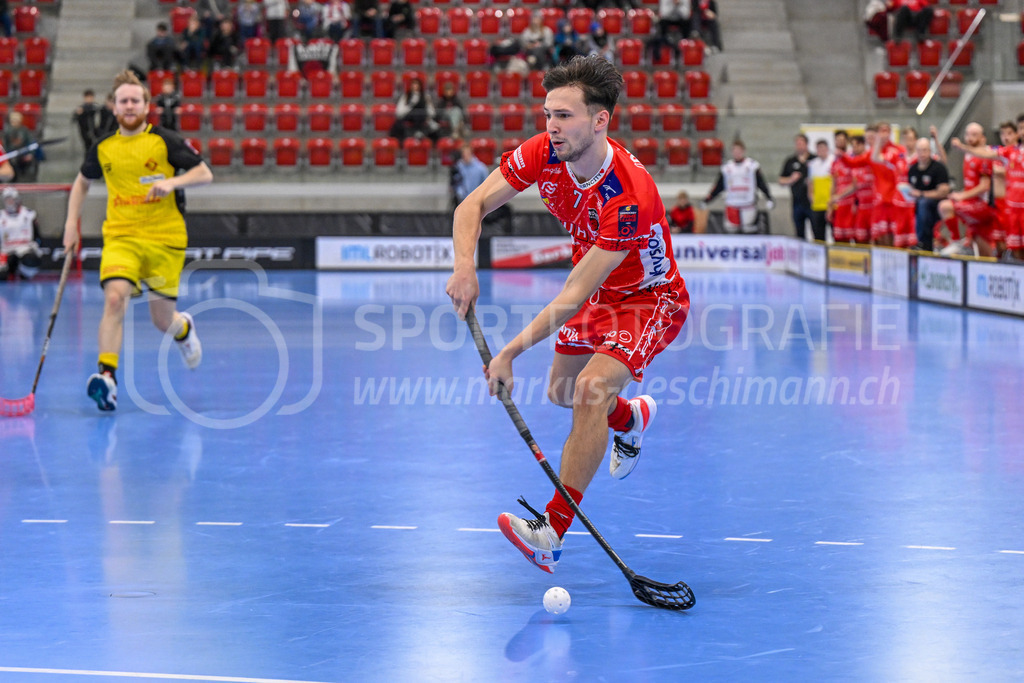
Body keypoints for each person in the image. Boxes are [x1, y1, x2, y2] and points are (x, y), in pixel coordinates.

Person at [446, 56, 690, 574]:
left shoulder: (628, 195)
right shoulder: (543, 153)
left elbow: (574, 294)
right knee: (562, 393)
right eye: (547, 114)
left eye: (565, 116)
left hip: (648, 298)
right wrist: (464, 267)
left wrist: (508, 352)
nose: (551, 126)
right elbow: (471, 207)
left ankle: (552, 531)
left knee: (589, 391)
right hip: (598, 292)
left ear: (600, 120)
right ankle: (632, 418)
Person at [61, 70, 214, 412]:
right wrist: (71, 223)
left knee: (163, 320)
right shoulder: (103, 147)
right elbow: (82, 183)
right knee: (115, 299)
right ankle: (108, 379)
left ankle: (183, 329)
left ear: (146, 106)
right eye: (123, 101)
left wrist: (173, 184)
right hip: (121, 237)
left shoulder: (165, 141)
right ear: (113, 107)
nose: (129, 106)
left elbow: (204, 173)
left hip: (164, 239)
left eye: (135, 100)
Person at [942, 122, 998, 257]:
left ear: (983, 138)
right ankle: (967, 242)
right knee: (982, 247)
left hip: (983, 206)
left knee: (945, 206)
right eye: (967, 134)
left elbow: (985, 186)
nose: (970, 138)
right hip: (971, 203)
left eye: (974, 135)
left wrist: (962, 196)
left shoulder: (984, 156)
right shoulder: (967, 155)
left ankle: (956, 242)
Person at [703, 140, 774, 234]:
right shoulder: (727, 168)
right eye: (735, 151)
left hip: (748, 203)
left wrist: (769, 197)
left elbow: (761, 183)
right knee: (731, 229)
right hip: (732, 204)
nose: (737, 153)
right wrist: (707, 200)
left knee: (748, 228)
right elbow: (718, 186)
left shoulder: (752, 166)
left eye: (739, 151)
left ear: (743, 151)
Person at [906, 136, 950, 252]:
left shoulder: (938, 168)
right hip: (920, 207)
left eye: (925, 150)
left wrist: (921, 194)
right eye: (920, 150)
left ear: (930, 151)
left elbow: (943, 191)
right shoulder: (913, 170)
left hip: (937, 206)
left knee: (923, 203)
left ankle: (924, 243)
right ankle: (920, 242)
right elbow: (912, 190)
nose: (922, 154)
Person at [0, 187, 42, 281]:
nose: (9, 202)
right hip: (6, 251)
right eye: (7, 200)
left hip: (24, 249)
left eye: (11, 199)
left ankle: (24, 273)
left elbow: (37, 236)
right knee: (2, 275)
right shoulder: (1, 216)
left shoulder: (29, 214)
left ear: (17, 200)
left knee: (31, 260)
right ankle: (8, 271)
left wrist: (36, 248)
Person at [779, 134, 812, 239]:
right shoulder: (790, 161)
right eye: (797, 144)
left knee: (817, 229)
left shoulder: (814, 159)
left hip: (812, 202)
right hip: (797, 201)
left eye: (801, 143)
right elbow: (781, 180)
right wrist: (791, 179)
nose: (799, 146)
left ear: (806, 144)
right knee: (799, 231)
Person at [388, 78, 439, 144]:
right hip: (409, 117)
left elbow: (432, 112)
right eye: (413, 84)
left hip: (422, 118)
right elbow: (399, 112)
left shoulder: (426, 97)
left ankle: (420, 133)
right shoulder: (406, 96)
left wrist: (428, 117)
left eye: (417, 84)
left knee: (419, 113)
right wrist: (411, 104)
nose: (415, 86)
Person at [807, 139, 834, 241]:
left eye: (823, 148)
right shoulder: (813, 164)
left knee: (834, 233)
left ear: (827, 149)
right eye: (819, 148)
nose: (821, 151)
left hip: (830, 204)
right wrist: (811, 197)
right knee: (818, 234)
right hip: (817, 204)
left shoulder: (833, 161)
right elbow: (810, 183)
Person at [3, 111, 38, 183]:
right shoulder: (6, 132)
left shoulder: (25, 131)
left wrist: (30, 154)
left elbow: (31, 143)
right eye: (13, 120)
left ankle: (23, 179)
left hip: (22, 153)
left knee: (26, 161)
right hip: (10, 153)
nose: (14, 122)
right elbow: (4, 146)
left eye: (16, 120)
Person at [450, 142, 489, 207]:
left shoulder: (481, 168)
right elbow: (454, 185)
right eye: (463, 154)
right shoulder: (457, 167)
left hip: (477, 200)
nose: (465, 156)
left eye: (467, 153)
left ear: (471, 153)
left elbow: (486, 186)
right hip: (462, 200)